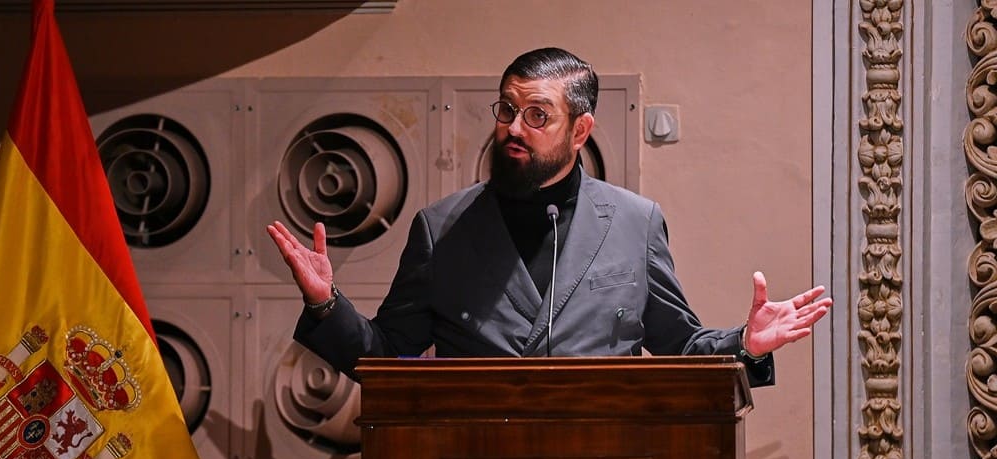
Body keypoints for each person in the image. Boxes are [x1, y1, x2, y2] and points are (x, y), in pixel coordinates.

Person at [267, 47, 831, 386]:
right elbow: (385, 360)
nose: (514, 128)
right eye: (507, 109)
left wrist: (746, 345)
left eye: (537, 115)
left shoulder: (635, 224)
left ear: (580, 131)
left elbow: (679, 346)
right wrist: (325, 305)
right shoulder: (441, 229)